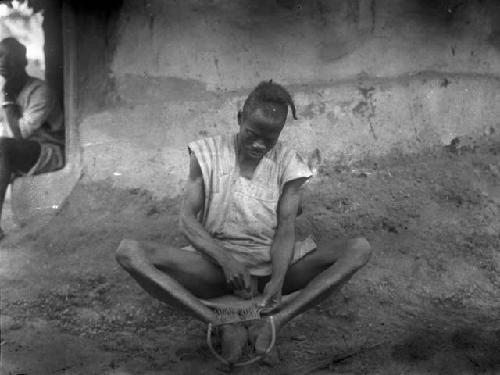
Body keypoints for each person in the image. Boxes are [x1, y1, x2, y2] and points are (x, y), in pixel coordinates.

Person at [116, 81, 372, 364]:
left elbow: (286, 227)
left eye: (270, 138)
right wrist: (226, 261)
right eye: (252, 133)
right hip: (214, 270)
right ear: (240, 118)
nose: (259, 144)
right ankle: (219, 322)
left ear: (280, 132)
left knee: (358, 249)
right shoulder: (206, 153)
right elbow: (186, 221)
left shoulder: (289, 163)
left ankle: (275, 322)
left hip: (272, 267)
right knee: (129, 252)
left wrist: (277, 278)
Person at [0, 37, 64, 240]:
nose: (3, 62)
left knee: (3, 146)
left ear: (24, 61)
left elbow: (20, 135)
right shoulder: (7, 91)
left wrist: (9, 99)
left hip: (50, 152)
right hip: (23, 153)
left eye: (11, 58)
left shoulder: (39, 91)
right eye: (0, 56)